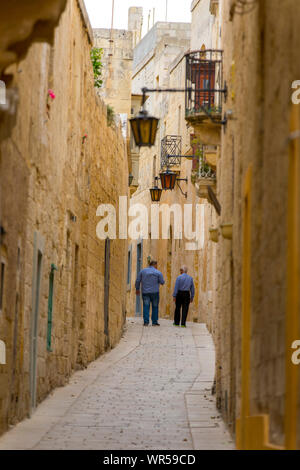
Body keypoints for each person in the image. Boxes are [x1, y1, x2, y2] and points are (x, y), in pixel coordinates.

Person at [135, 260, 165, 326]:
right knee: (155, 306)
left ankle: (146, 322)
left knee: (146, 306)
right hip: (155, 292)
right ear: (155, 265)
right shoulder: (158, 272)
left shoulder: (142, 271)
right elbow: (162, 282)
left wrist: (137, 289)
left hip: (145, 292)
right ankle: (154, 322)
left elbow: (137, 280)